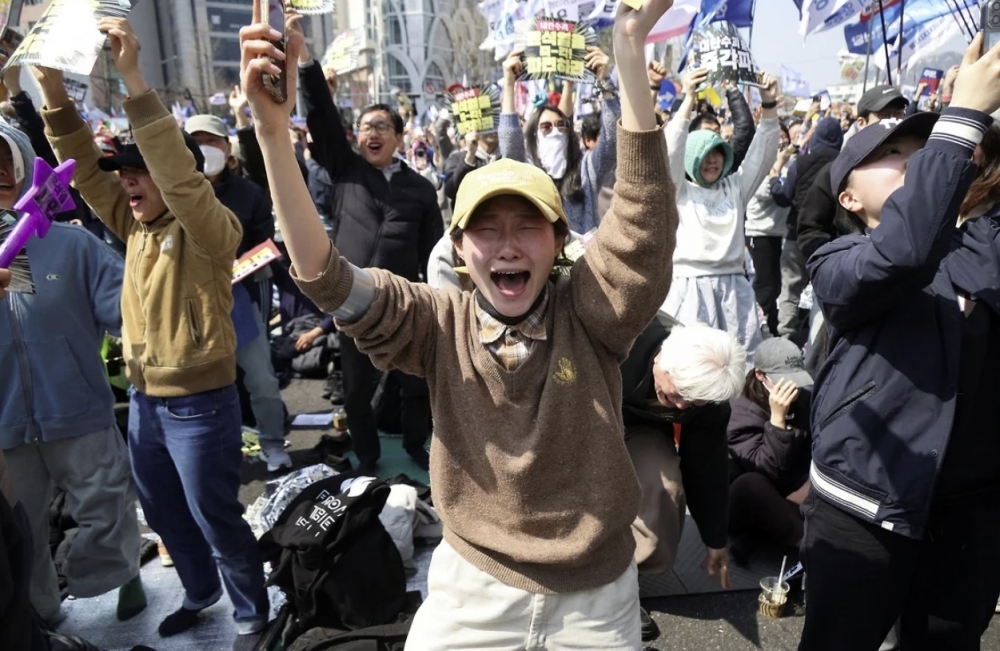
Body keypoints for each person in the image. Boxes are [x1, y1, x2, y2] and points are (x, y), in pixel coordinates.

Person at [240, 0, 676, 644]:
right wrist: (272, 135)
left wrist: (629, 49)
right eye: (487, 229)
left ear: (559, 242)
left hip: (597, 596)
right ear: (458, 246)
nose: (508, 246)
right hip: (472, 585)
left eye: (528, 226)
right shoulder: (436, 324)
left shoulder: (591, 312)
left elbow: (642, 224)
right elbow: (327, 278)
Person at [37, 18, 269, 649]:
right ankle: (199, 591)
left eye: (139, 172)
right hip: (144, 403)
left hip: (201, 406)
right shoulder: (133, 225)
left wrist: (133, 78)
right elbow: (87, 173)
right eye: (126, 174)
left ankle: (252, 613)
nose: (128, 182)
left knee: (215, 514)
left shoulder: (210, 228)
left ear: (175, 175)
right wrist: (53, 91)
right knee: (163, 511)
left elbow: (179, 176)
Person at [798, 35, 1000, 650]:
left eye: (923, 146)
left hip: (967, 508)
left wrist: (980, 116)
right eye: (890, 152)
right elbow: (906, 251)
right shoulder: (837, 259)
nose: (915, 156)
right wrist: (959, 121)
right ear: (848, 197)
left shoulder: (983, 241)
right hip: (864, 503)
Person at [0, 115, 147, 628]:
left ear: (26, 164)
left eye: (7, 159)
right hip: (5, 423)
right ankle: (40, 609)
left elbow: (129, 309)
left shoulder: (74, 244)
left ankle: (119, 575)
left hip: (78, 406)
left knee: (105, 504)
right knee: (20, 527)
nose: (0, 172)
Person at [292, 15, 441, 474]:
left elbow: (433, 251)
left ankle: (416, 445)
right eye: (364, 126)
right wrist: (306, 61)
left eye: (381, 126)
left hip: (404, 300)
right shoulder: (345, 171)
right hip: (352, 299)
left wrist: (438, 298)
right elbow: (320, 117)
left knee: (414, 384)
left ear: (399, 136)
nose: (371, 133)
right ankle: (369, 457)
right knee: (356, 389)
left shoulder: (420, 189)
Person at [621, 318, 745, 641]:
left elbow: (707, 466)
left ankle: (621, 584)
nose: (681, 406)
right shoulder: (624, 333)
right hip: (582, 411)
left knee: (663, 481)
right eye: (678, 394)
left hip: (640, 427)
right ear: (662, 360)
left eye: (691, 403)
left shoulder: (708, 399)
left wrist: (715, 539)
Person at [184, 114, 291, 472]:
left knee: (260, 378)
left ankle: (273, 443)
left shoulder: (249, 193)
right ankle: (210, 449)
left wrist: (238, 267)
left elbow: (266, 245)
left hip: (239, 299)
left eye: (212, 141)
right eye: (196, 141)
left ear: (227, 147)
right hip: (190, 305)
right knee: (200, 382)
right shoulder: (172, 192)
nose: (205, 149)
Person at [661, 66, 780, 362]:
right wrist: (688, 98)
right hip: (688, 289)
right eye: (704, 154)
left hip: (734, 287)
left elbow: (762, 154)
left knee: (739, 362)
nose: (712, 161)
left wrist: (768, 105)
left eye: (717, 152)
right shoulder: (678, 191)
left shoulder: (735, 187)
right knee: (693, 367)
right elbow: (671, 148)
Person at [499, 45, 618, 234]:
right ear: (533, 136)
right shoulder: (526, 173)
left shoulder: (585, 171)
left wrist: (604, 82)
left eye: (561, 126)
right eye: (546, 127)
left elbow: (611, 140)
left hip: (584, 253)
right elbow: (510, 145)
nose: (555, 132)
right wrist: (508, 84)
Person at [727, 337, 812, 562]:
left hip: (793, 486)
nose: (792, 388)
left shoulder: (804, 399)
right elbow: (766, 471)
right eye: (784, 381)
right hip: (744, 497)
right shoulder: (740, 410)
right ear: (760, 375)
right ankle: (810, 548)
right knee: (752, 484)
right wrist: (777, 422)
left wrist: (809, 484)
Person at [770, 116, 843, 342]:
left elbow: (783, 197)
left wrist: (774, 180)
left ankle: (785, 338)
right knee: (826, 291)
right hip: (833, 239)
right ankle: (822, 341)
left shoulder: (801, 163)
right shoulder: (845, 163)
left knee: (790, 290)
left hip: (797, 235)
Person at [746, 123, 794, 336]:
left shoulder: (791, 164)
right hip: (760, 233)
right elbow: (767, 193)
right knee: (765, 285)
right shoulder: (757, 164)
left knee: (777, 285)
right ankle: (756, 328)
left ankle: (773, 328)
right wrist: (777, 168)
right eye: (777, 138)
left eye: (784, 136)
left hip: (780, 233)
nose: (781, 142)